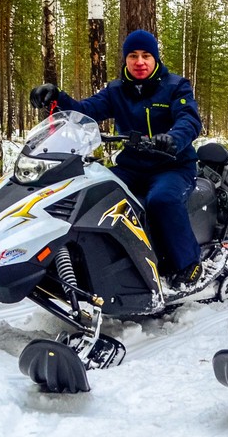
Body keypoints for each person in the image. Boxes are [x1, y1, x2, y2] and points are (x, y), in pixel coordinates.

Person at [29, 29, 204, 288]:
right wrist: (57, 96)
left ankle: (188, 263)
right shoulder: (116, 90)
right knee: (91, 191)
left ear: (155, 59)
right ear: (126, 60)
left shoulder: (175, 86)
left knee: (162, 200)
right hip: (132, 166)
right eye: (133, 56)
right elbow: (84, 112)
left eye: (146, 55)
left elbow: (189, 119)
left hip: (173, 166)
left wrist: (173, 138)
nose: (140, 62)